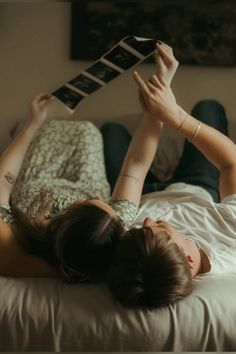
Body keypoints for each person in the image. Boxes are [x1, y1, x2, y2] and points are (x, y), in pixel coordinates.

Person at [0, 44, 167, 281]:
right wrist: (159, 109)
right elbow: (137, 163)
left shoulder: (13, 244)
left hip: (37, 179)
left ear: (61, 215)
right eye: (104, 202)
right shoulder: (110, 228)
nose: (101, 199)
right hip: (86, 179)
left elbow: (3, 180)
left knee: (53, 130)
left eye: (90, 202)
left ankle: (37, 127)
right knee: (87, 131)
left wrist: (33, 123)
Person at [107, 43, 236, 309]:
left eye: (145, 226)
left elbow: (135, 165)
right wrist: (176, 116)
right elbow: (229, 163)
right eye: (162, 228)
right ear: (189, 261)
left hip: (139, 192)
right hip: (197, 185)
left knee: (111, 131)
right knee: (209, 107)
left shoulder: (130, 253)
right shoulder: (230, 240)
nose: (150, 219)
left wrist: (156, 110)